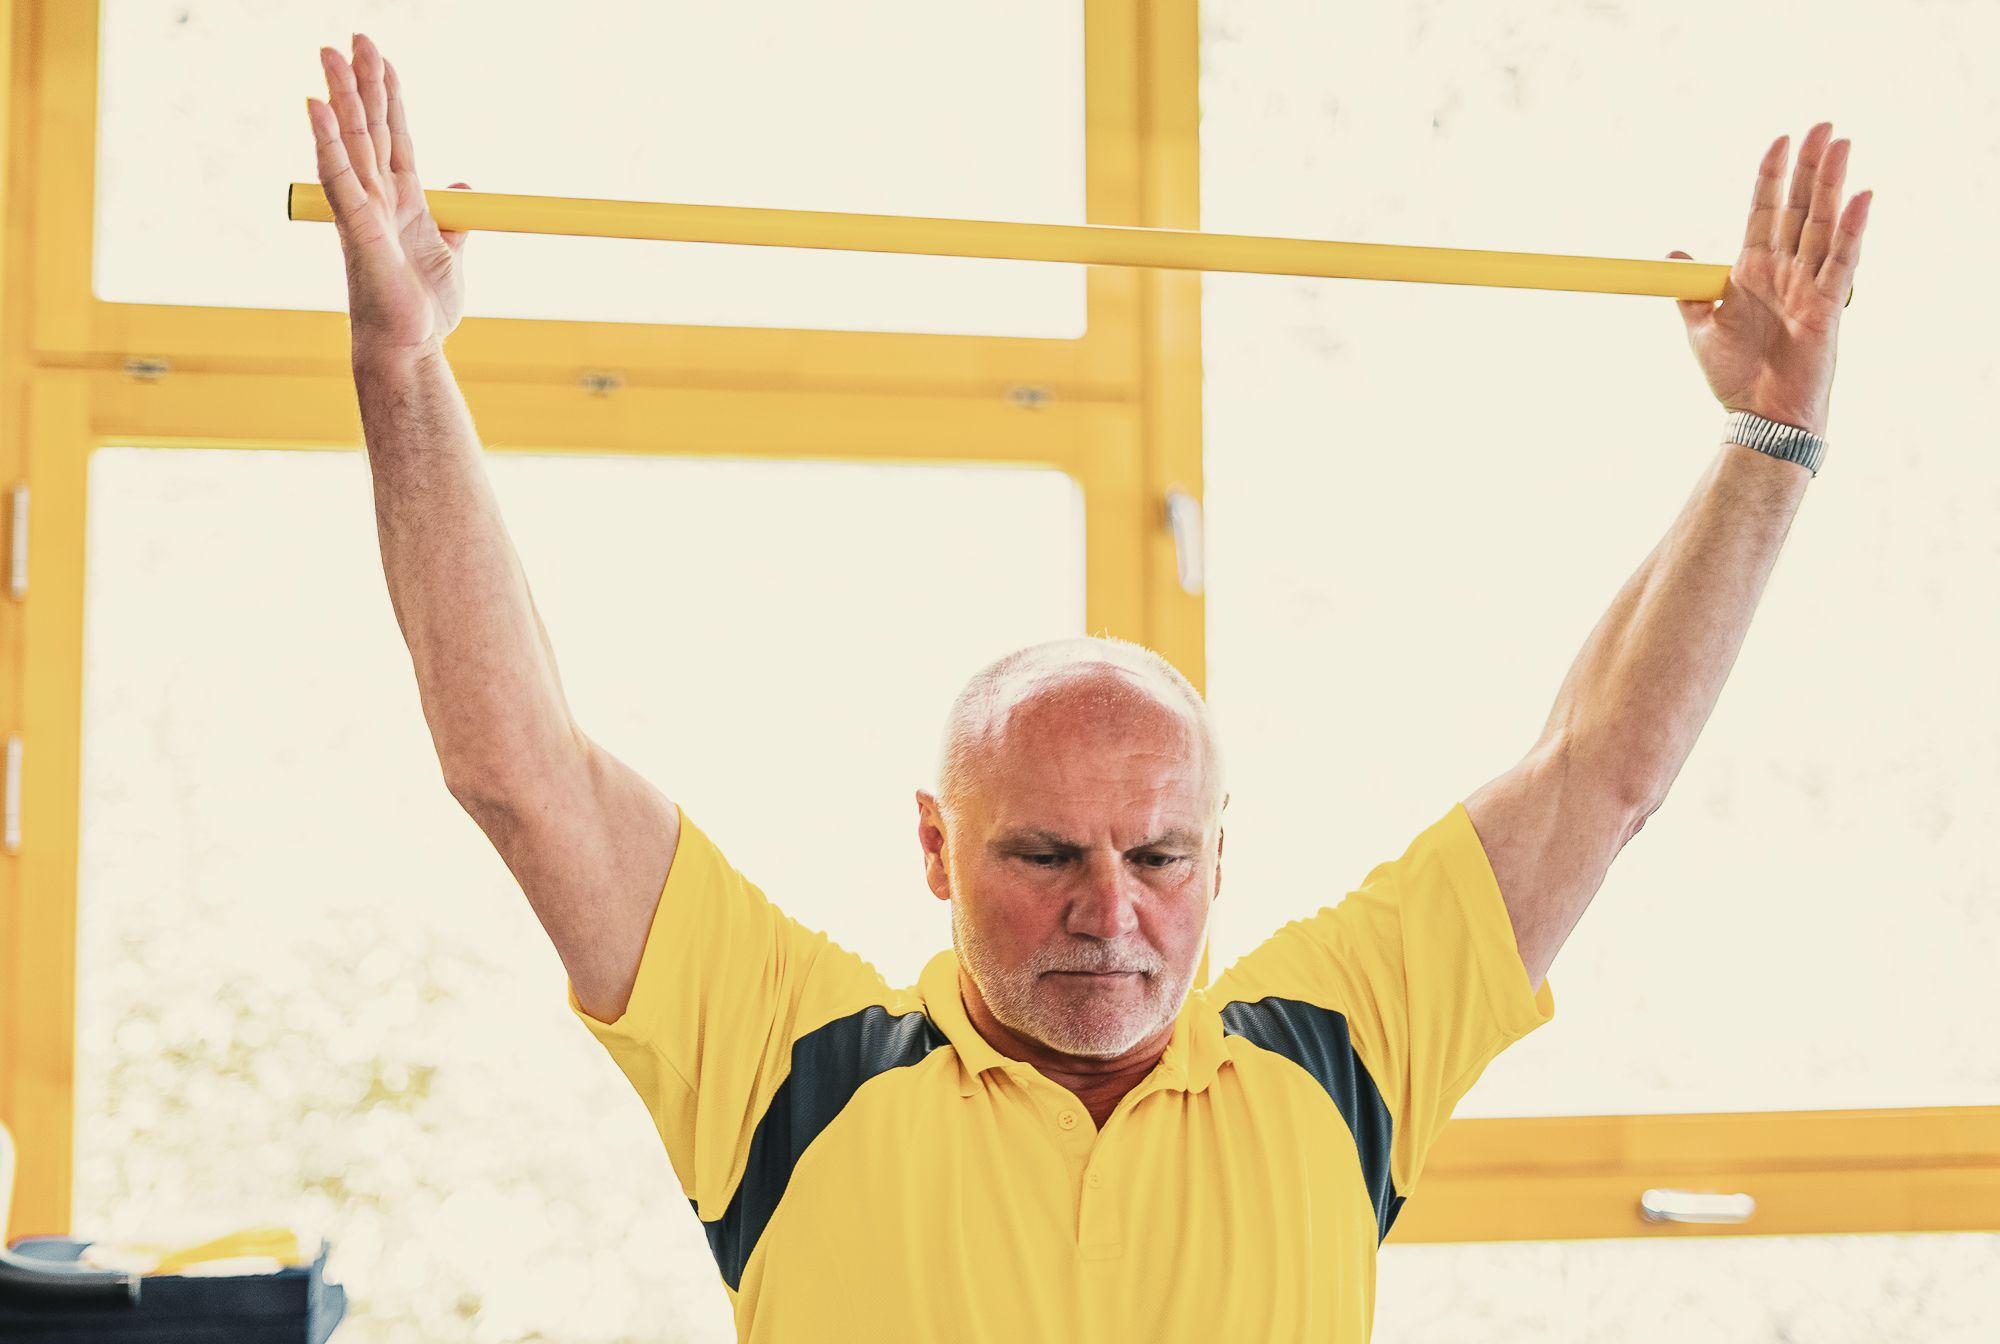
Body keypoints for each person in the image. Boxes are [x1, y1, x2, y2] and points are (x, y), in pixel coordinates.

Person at [306, 31, 1869, 1343]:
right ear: (935, 848)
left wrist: (1771, 442)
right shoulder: (787, 1066)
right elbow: (517, 768)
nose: (1111, 914)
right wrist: (403, 368)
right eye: (1043, 852)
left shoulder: (1338, 1056)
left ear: (1217, 855)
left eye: (1159, 856)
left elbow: (1603, 772)